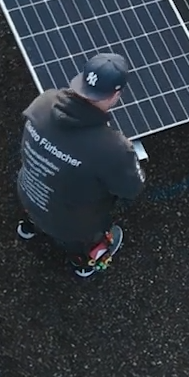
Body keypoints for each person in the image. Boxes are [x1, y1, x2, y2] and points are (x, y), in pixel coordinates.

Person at [15, 52, 147, 278]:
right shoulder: (112, 148)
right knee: (81, 240)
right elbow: (131, 189)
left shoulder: (44, 101)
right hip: (69, 225)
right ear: (116, 95)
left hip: (28, 193)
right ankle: (82, 264)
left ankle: (29, 227)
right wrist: (128, 156)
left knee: (42, 207)